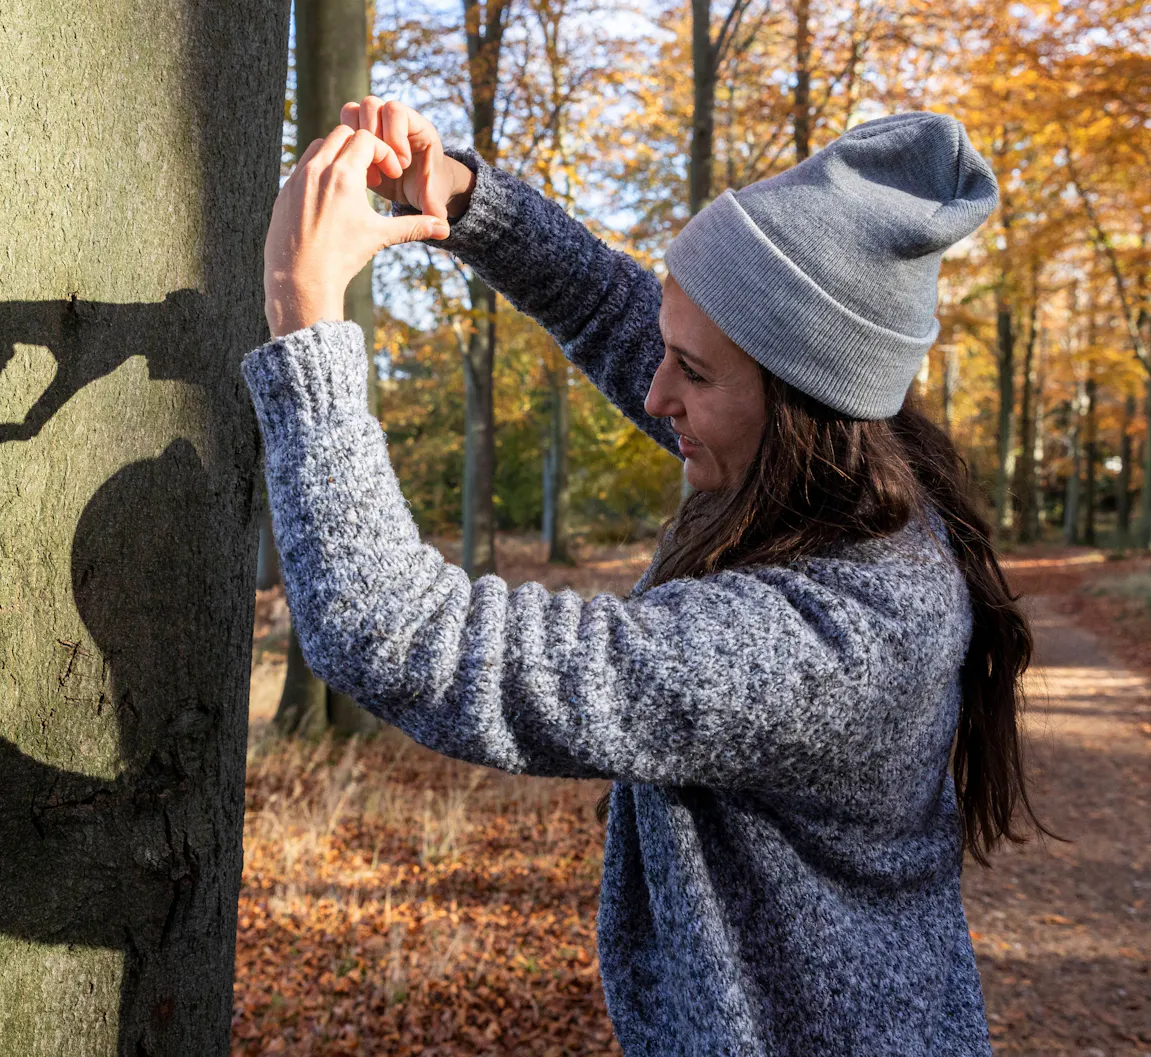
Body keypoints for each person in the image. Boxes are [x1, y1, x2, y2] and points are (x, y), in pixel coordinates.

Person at [242, 98, 1042, 1055]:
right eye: (670, 351)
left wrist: (304, 320)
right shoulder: (835, 477)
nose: (658, 392)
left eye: (693, 373)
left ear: (803, 403)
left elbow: (398, 633)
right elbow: (612, 311)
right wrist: (460, 198)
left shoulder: (837, 637)